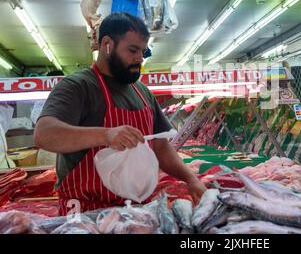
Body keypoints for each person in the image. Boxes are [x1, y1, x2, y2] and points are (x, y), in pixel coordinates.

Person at [34, 12, 206, 215]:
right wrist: (106, 135)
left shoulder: (142, 92)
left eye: (143, 52)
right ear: (107, 43)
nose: (139, 58)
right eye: (133, 50)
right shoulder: (78, 86)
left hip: (137, 212)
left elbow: (161, 146)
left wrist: (191, 178)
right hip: (86, 214)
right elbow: (44, 134)